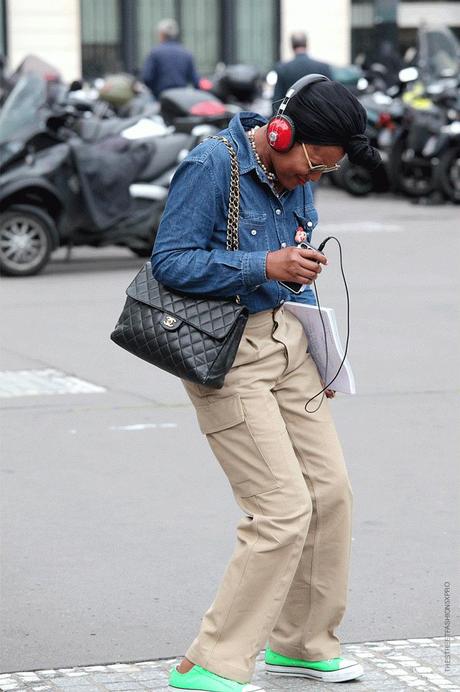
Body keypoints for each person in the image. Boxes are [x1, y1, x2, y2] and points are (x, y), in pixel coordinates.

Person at [151, 75, 382, 692]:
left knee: (331, 493)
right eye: (312, 165)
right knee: (281, 509)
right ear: (280, 132)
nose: (312, 180)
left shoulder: (300, 175)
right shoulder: (213, 165)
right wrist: (262, 264)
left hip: (292, 345)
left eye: (325, 173)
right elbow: (168, 262)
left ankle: (303, 645)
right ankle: (210, 661)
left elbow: (298, 270)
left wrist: (323, 351)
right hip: (229, 355)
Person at [272, 32, 333, 114]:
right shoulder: (323, 67)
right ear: (306, 44)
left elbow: (277, 99)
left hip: (292, 120)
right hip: (318, 118)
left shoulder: (282, 68)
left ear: (292, 46)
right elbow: (331, 97)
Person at [141, 18, 200, 100]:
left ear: (161, 34)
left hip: (160, 97)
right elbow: (196, 81)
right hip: (181, 99)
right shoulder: (186, 53)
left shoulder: (155, 53)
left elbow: (147, 78)